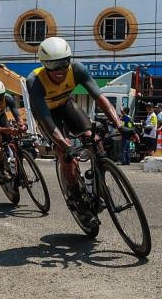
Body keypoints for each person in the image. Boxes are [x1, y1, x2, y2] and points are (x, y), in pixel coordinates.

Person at [25, 37, 123, 220]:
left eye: (63, 63)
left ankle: (98, 186)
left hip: (66, 105)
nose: (59, 70)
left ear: (69, 60)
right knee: (66, 153)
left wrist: (119, 124)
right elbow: (46, 119)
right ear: (44, 64)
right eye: (52, 65)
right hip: (46, 116)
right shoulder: (35, 81)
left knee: (93, 140)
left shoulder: (77, 69)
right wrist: (64, 145)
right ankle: (76, 197)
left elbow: (100, 97)